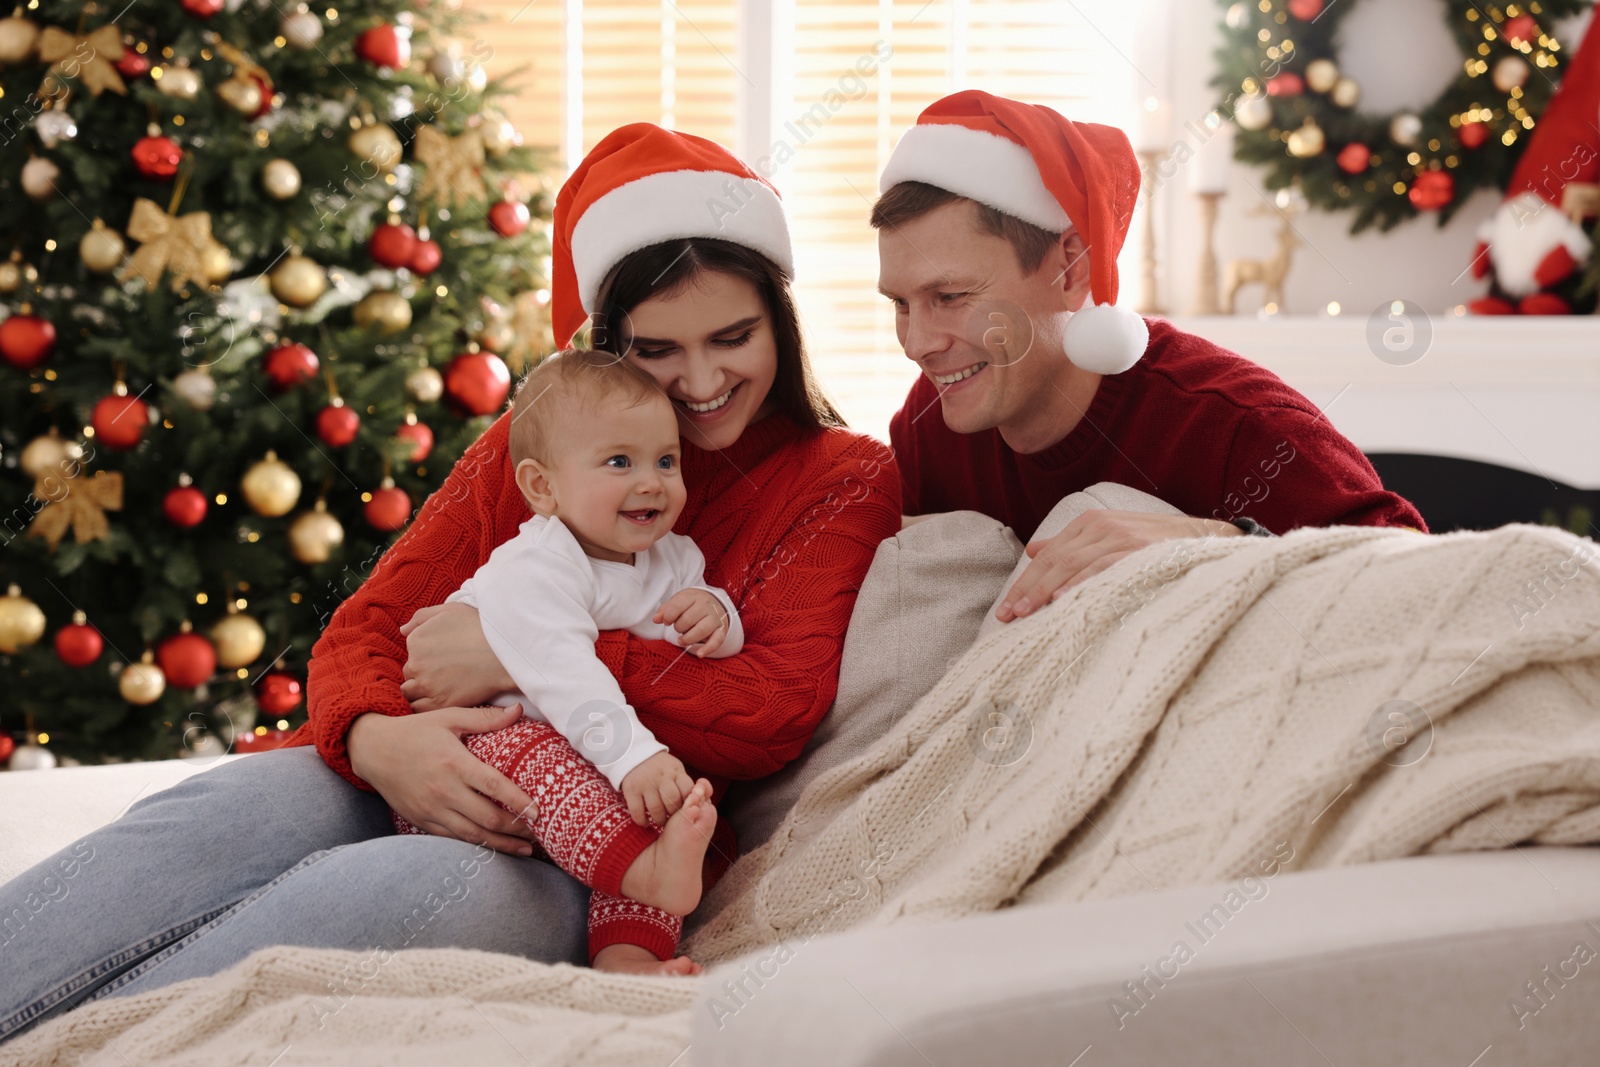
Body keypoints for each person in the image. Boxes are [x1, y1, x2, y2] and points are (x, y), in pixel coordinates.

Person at [0, 123, 899, 1041]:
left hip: (591, 852)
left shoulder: (842, 478)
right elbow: (365, 631)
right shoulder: (540, 445)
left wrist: (524, 647)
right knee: (229, 813)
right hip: (413, 753)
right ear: (606, 345)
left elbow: (768, 708)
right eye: (656, 351)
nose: (701, 380)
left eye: (733, 336)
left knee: (385, 893)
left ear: (779, 322)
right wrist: (379, 737)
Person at [873, 91, 1427, 623]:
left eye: (950, 297)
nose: (919, 343)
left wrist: (1218, 543)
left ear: (1072, 268)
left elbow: (1418, 575)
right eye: (901, 303)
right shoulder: (933, 420)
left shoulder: (1236, 424)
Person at [391, 349, 742, 974]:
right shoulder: (537, 566)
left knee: (662, 810)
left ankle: (629, 960)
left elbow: (711, 654)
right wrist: (635, 756)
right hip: (482, 757)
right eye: (619, 462)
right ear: (542, 487)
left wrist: (716, 614)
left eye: (666, 461)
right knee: (582, 768)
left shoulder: (674, 559)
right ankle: (649, 873)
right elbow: (564, 672)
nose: (651, 482)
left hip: (591, 761)